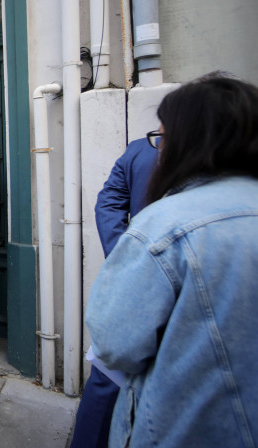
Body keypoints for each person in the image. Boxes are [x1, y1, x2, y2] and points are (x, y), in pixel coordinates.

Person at [86, 73, 258, 448]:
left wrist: (130, 255)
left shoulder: (164, 225)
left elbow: (113, 343)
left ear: (190, 141)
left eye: (163, 136)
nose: (158, 147)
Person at [70, 137, 157, 448]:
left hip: (138, 289)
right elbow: (110, 199)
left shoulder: (143, 150)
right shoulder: (143, 150)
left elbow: (109, 202)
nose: (157, 139)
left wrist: (125, 255)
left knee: (109, 377)